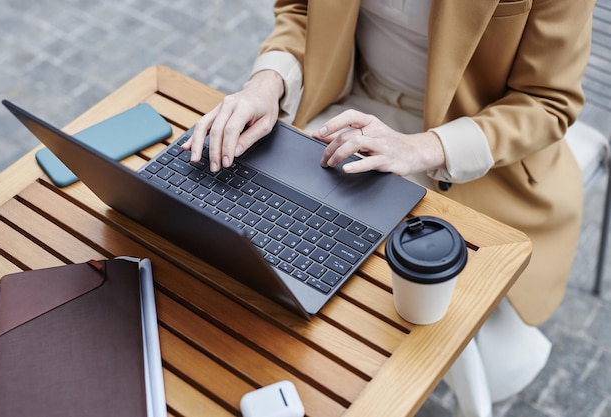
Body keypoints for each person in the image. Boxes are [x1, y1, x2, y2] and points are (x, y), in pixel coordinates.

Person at [183, 1, 595, 415]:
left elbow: (546, 101)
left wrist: (422, 148)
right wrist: (266, 83)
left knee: (372, 304)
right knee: (271, 242)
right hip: (346, 104)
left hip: (471, 145)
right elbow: (299, 9)